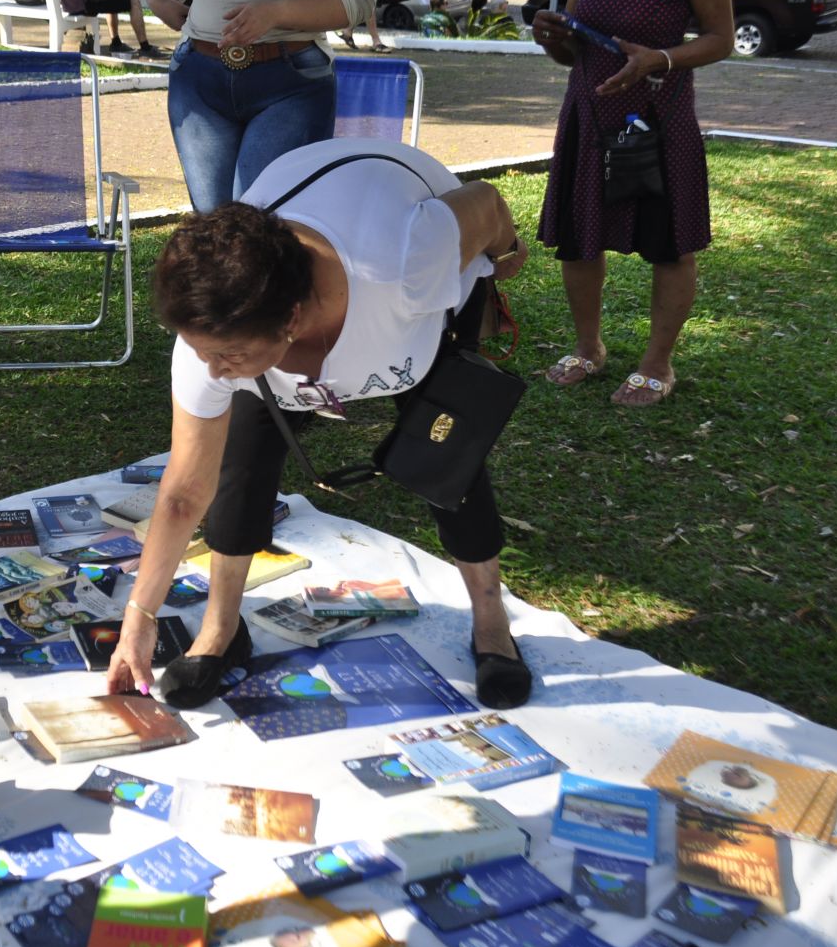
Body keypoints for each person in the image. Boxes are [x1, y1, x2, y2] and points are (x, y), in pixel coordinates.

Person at [104, 137, 533, 713]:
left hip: (411, 311)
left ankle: (490, 620)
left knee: (448, 458)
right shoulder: (216, 338)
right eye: (199, 350)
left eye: (226, 355)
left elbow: (485, 201)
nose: (212, 369)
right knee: (241, 459)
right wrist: (140, 616)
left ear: (292, 319)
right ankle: (221, 628)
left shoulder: (408, 260)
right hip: (299, 291)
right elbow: (184, 492)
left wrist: (506, 252)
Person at [531, 0, 732, 407]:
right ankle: (587, 348)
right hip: (589, 116)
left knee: (667, 241)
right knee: (578, 237)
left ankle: (657, 364)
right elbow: (571, 49)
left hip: (656, 119)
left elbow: (720, 38)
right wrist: (551, 37)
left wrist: (659, 59)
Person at [140, 0, 375, 212]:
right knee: (213, 225)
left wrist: (276, 13)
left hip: (290, 86)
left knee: (257, 225)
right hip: (199, 80)